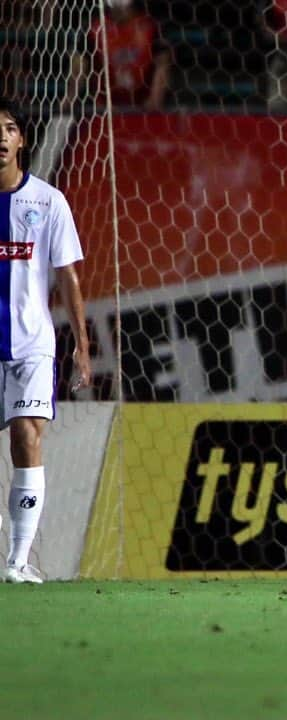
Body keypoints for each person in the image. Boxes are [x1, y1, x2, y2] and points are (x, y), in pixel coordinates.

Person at [0, 98, 91, 584]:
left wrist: (82, 344)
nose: (1, 137)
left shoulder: (48, 201)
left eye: (9, 129)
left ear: (22, 140)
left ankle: (17, 561)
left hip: (33, 345)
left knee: (27, 436)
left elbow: (69, 278)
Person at [65, 0, 171, 113]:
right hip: (104, 109)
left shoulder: (151, 27)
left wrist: (154, 100)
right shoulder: (94, 29)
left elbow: (162, 64)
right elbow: (79, 66)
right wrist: (69, 99)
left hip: (143, 109)